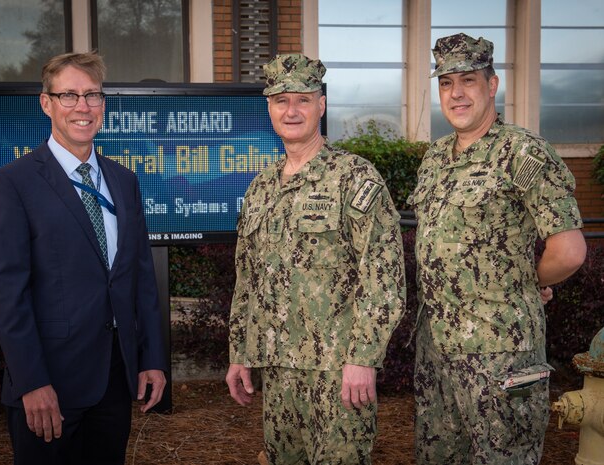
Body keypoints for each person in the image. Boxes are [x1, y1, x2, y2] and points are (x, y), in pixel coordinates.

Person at [408, 33, 587, 464]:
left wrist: (525, 284)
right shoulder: (435, 158)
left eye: (468, 80)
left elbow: (569, 250)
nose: (456, 93)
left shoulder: (523, 154)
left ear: (492, 85)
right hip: (437, 351)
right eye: (446, 83)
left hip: (501, 352)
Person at [0, 51, 167, 465]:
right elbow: (7, 295)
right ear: (46, 103)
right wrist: (32, 382)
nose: (82, 107)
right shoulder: (12, 183)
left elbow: (139, 279)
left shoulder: (124, 180)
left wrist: (152, 358)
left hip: (115, 383)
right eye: (69, 95)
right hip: (49, 385)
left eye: (92, 95)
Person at [225, 53, 406, 465]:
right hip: (278, 372)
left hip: (338, 375)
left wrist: (363, 358)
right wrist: (240, 352)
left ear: (321, 105)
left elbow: (384, 277)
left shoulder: (354, 177)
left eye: (303, 100)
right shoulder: (261, 188)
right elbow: (247, 278)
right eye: (281, 100)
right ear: (269, 107)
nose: (292, 110)